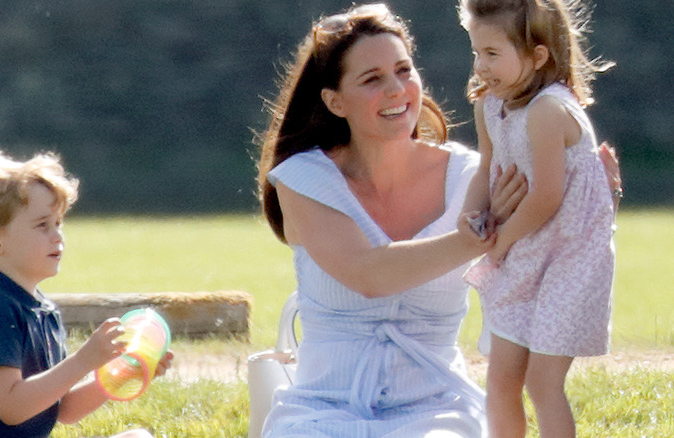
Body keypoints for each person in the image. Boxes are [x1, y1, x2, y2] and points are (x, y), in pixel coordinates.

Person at [254, 3, 621, 438]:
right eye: (372, 79)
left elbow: (548, 225)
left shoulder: (474, 174)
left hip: (436, 409)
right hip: (321, 410)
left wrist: (597, 199)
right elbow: (368, 274)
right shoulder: (304, 178)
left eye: (404, 70)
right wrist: (474, 241)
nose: (397, 90)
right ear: (335, 101)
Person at [457, 1, 617, 437]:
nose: (480, 65)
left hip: (570, 257)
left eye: (492, 54)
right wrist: (473, 215)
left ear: (538, 56)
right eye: (476, 52)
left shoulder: (548, 111)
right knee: (501, 380)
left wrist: (502, 241)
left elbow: (547, 197)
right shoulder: (489, 104)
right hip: (525, 250)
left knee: (542, 382)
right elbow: (487, 167)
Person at [0, 148, 174, 438]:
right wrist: (83, 360)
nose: (57, 236)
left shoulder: (45, 312)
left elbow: (63, 408)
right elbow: (12, 407)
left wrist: (120, 372)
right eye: (42, 225)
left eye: (58, 224)